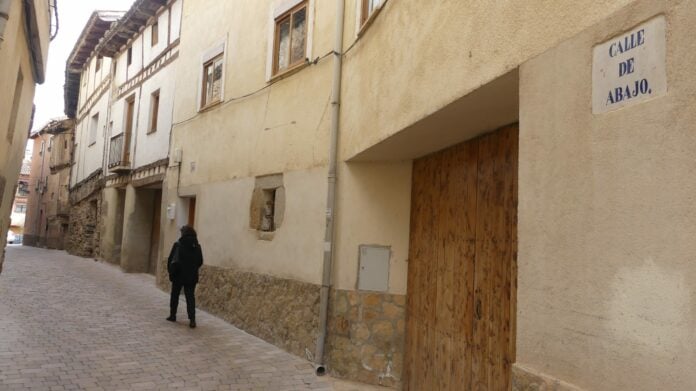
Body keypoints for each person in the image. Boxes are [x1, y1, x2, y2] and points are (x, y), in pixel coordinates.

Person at [166, 225, 203, 328]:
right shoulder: (197, 246)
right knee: (190, 297)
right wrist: (192, 268)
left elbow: (171, 260)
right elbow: (200, 261)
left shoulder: (178, 245)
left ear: (183, 233)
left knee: (175, 296)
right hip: (191, 276)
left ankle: (173, 315)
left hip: (178, 275)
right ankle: (192, 320)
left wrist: (171, 271)